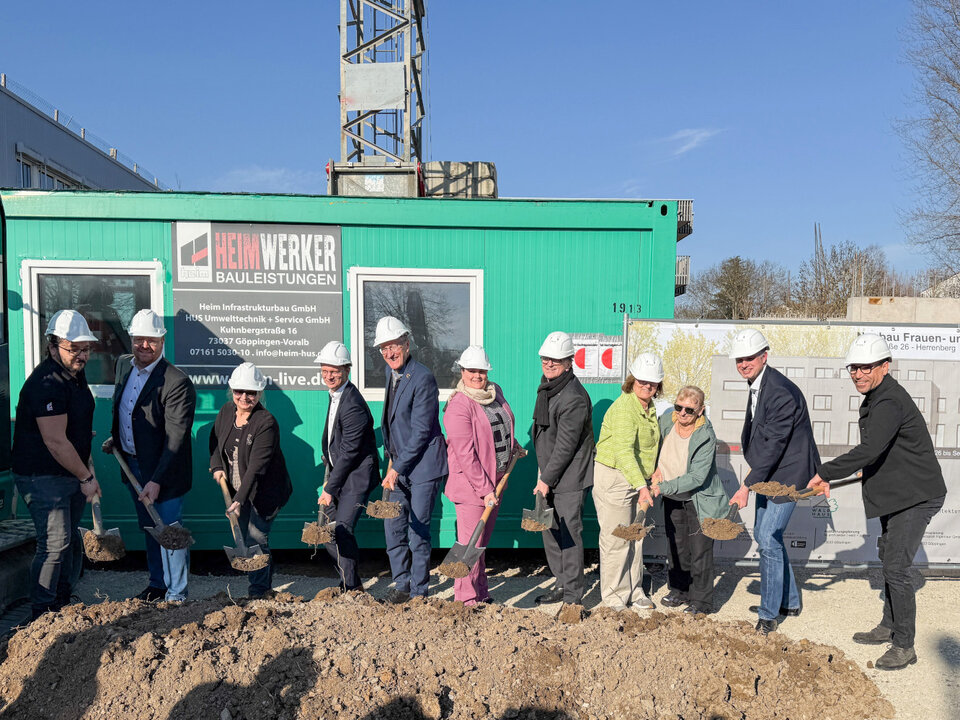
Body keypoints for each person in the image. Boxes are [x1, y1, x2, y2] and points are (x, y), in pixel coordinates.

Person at [808, 334, 947, 670]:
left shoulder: (888, 401)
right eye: (853, 368)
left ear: (886, 366)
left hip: (916, 496)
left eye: (866, 367)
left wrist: (825, 472)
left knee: (896, 567)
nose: (858, 373)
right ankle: (889, 625)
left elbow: (869, 450)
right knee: (889, 559)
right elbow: (882, 450)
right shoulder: (876, 397)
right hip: (899, 492)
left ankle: (904, 645)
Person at [727, 328, 820, 635]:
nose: (743, 364)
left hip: (788, 475)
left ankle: (768, 615)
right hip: (770, 471)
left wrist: (745, 486)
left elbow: (775, 444)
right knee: (771, 538)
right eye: (740, 359)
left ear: (764, 356)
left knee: (766, 538)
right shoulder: (759, 383)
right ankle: (790, 601)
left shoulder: (779, 390)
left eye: (749, 358)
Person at [101, 309, 196, 602]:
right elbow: (124, 410)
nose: (145, 345)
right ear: (131, 339)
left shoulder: (176, 381)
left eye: (151, 340)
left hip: (162, 473)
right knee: (149, 529)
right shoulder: (123, 368)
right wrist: (116, 440)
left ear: (162, 340)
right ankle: (157, 585)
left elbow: (175, 437)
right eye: (139, 339)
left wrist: (156, 480)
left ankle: (177, 595)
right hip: (132, 466)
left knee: (170, 534)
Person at [12, 310, 100, 620]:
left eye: (85, 348)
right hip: (42, 475)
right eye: (73, 347)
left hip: (68, 470)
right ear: (52, 347)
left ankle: (62, 603)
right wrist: (86, 476)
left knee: (67, 540)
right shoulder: (46, 382)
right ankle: (42, 613)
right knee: (54, 543)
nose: (81, 354)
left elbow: (70, 427)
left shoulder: (75, 374)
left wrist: (82, 445)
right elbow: (54, 441)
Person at [442, 345, 523, 605]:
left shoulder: (494, 392)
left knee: (481, 544)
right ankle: (465, 601)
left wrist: (513, 446)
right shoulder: (458, 405)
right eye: (472, 370)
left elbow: (502, 424)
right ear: (462, 371)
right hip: (472, 486)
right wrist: (484, 489)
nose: (478, 376)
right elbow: (465, 454)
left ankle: (482, 593)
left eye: (482, 370)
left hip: (496, 480)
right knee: (470, 545)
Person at [376, 316, 448, 603]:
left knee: (418, 530)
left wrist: (396, 468)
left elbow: (420, 431)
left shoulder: (423, 377)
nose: (389, 353)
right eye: (383, 348)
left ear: (406, 344)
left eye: (393, 346)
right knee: (392, 527)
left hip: (423, 467)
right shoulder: (389, 373)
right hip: (400, 463)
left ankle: (418, 592)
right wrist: (392, 460)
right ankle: (402, 585)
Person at [210, 362, 292, 597]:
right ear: (232, 391)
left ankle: (259, 591)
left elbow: (257, 466)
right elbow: (214, 441)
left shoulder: (266, 422)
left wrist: (239, 499)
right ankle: (262, 584)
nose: (245, 397)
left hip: (265, 492)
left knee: (256, 537)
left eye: (251, 392)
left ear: (259, 394)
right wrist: (216, 466)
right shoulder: (226, 411)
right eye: (239, 391)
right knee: (248, 537)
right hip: (238, 489)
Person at [650, 385, 730, 615]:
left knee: (700, 550)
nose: (683, 413)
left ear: (701, 410)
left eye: (689, 410)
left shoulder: (705, 435)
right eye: (678, 407)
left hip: (699, 500)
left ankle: (702, 602)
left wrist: (662, 486)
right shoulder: (667, 421)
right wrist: (655, 469)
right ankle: (679, 591)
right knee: (676, 547)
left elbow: (697, 477)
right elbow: (655, 447)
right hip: (672, 496)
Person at [592, 353, 662, 612]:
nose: (647, 386)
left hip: (636, 479)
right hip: (616, 478)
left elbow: (647, 447)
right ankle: (614, 598)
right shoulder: (624, 409)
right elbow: (623, 452)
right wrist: (642, 486)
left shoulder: (648, 408)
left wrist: (653, 471)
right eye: (643, 381)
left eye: (653, 383)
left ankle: (635, 590)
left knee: (636, 537)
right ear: (632, 380)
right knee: (618, 539)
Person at [532, 331, 595, 611]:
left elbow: (566, 446)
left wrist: (546, 478)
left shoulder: (573, 397)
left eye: (556, 359)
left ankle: (572, 597)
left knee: (568, 533)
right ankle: (561, 582)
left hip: (569, 477)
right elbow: (543, 431)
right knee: (550, 529)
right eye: (546, 358)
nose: (549, 363)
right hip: (548, 472)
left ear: (569, 362)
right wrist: (539, 468)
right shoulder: (548, 386)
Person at [317, 341, 379, 592]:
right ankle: (348, 583)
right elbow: (334, 443)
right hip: (339, 475)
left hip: (355, 477)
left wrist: (330, 488)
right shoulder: (335, 396)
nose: (329, 376)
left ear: (347, 370)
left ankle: (352, 588)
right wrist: (329, 478)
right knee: (327, 530)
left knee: (341, 530)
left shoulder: (352, 404)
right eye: (325, 370)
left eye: (335, 371)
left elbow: (349, 452)